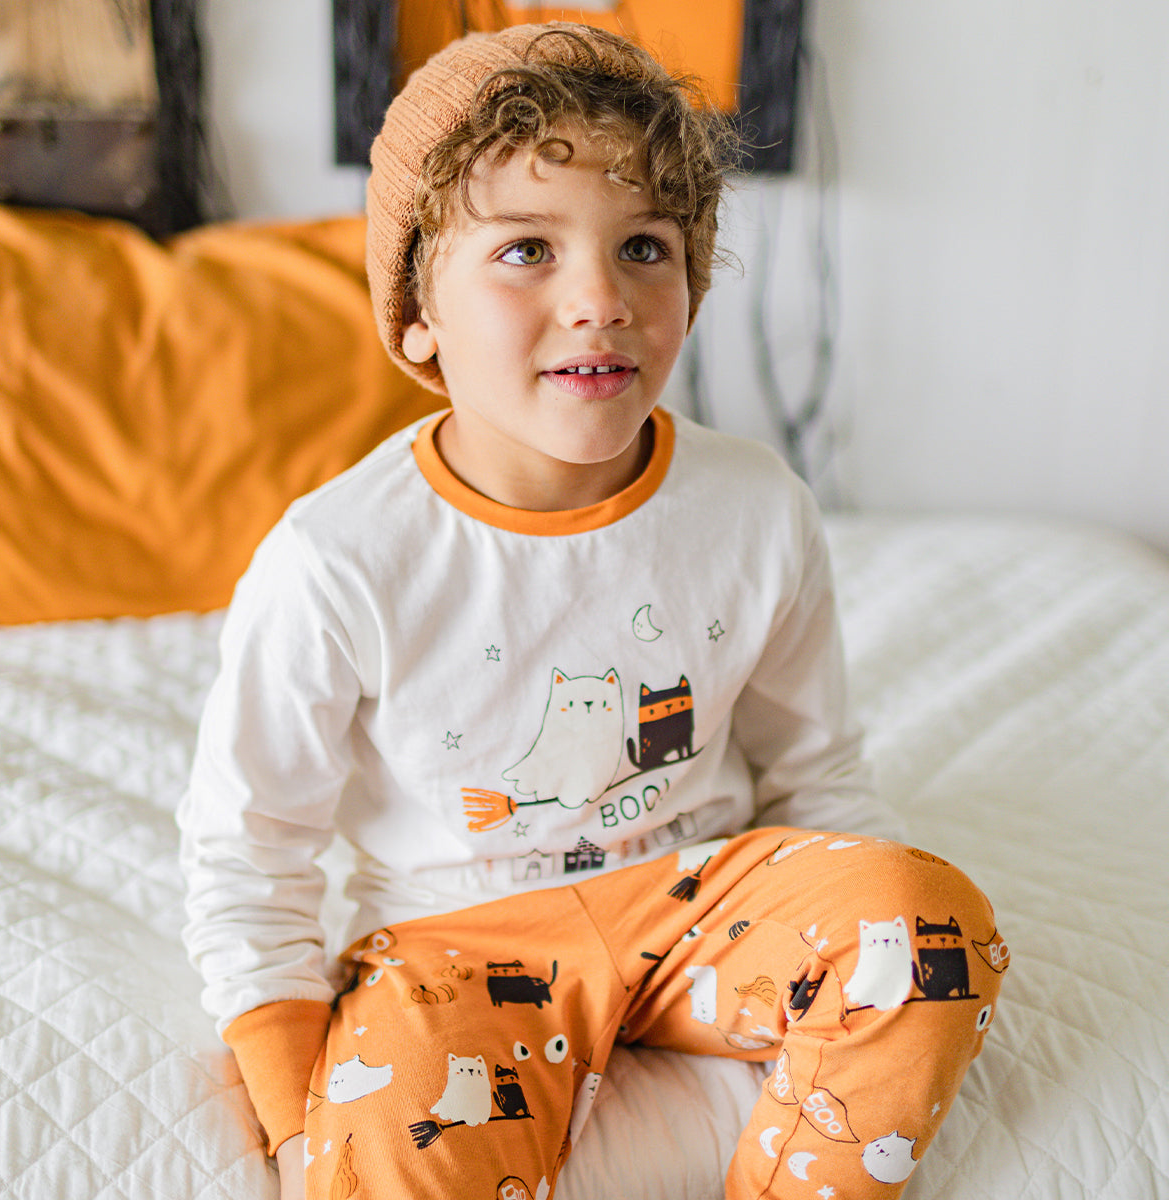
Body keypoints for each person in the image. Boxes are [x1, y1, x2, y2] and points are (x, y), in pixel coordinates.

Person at [178, 22, 1008, 1200]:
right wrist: (289, 1085)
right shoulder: (337, 557)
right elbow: (247, 849)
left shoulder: (756, 507)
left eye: (645, 248)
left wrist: (860, 904)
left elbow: (816, 774)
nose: (599, 299)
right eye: (526, 249)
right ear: (419, 315)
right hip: (453, 946)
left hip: (694, 908)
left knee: (927, 921)